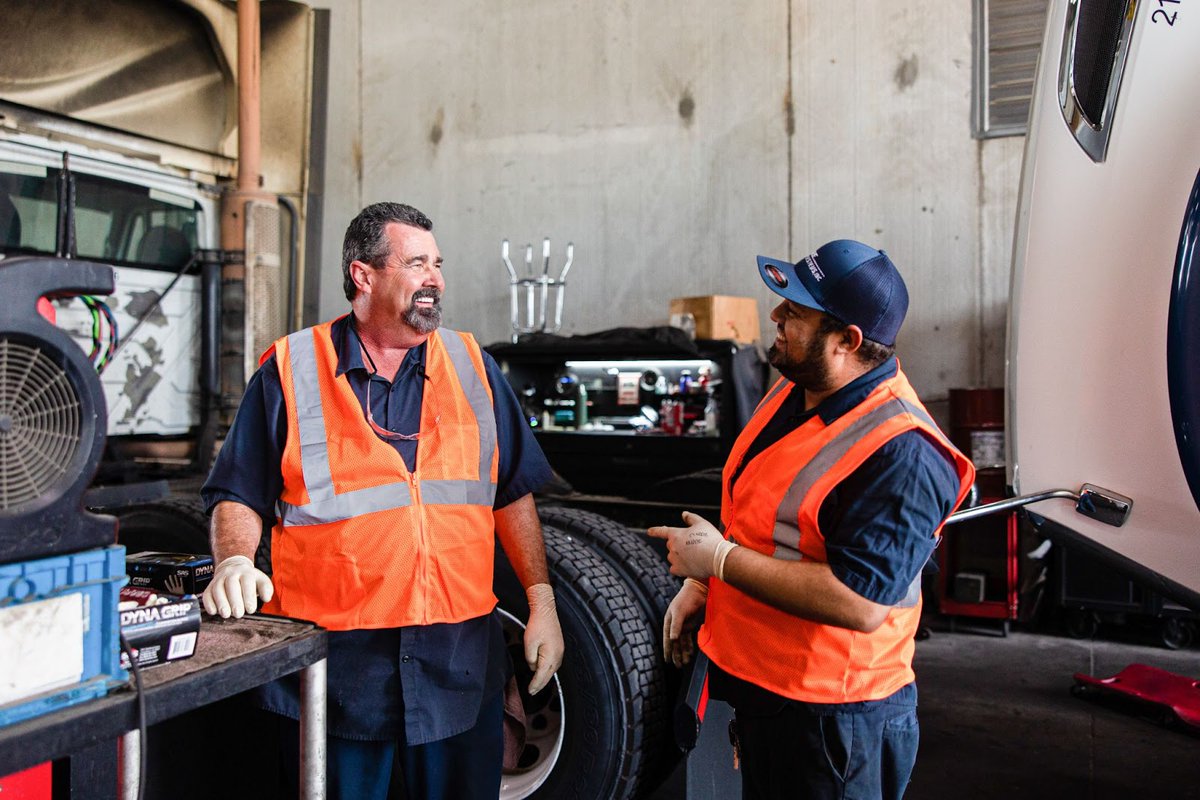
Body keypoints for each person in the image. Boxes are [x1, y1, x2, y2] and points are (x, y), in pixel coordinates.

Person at [199, 201, 564, 800]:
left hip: (456, 664)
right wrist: (235, 558)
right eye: (416, 263)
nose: (436, 280)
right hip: (337, 672)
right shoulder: (292, 370)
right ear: (363, 275)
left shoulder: (474, 367)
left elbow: (511, 491)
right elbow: (238, 490)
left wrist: (541, 598)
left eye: (438, 265)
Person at [648, 239, 975, 800]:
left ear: (847, 341)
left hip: (835, 717)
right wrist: (706, 583)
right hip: (770, 696)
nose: (775, 315)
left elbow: (860, 603)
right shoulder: (796, 390)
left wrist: (720, 562)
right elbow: (765, 519)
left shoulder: (905, 453)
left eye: (795, 312)